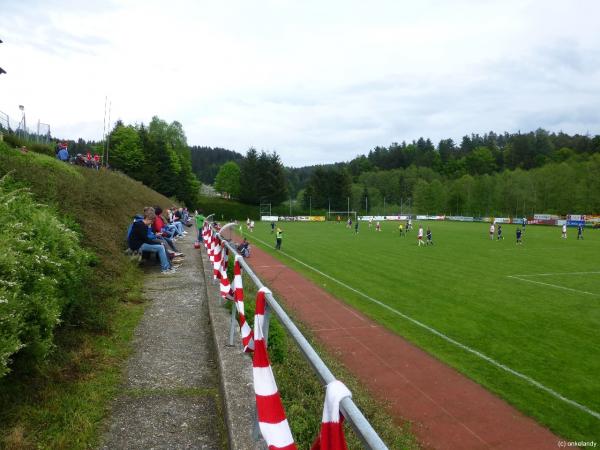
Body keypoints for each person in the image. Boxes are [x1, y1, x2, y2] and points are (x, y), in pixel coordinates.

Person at [128, 210, 176, 274]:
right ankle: (165, 269)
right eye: (151, 221)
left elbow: (145, 239)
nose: (152, 223)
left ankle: (167, 266)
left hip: (140, 243)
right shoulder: (141, 226)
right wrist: (158, 243)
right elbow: (146, 240)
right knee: (160, 247)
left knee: (161, 246)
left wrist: (158, 243)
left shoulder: (141, 224)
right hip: (137, 245)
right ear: (148, 219)